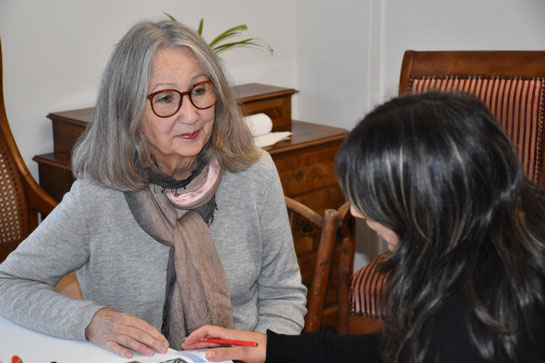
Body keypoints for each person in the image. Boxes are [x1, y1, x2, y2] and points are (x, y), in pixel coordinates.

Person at [0, 20, 306, 359]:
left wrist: (259, 355)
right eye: (165, 99)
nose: (190, 116)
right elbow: (8, 284)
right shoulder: (99, 196)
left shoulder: (253, 173)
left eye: (201, 91)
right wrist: (91, 320)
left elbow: (283, 295)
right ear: (129, 109)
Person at [182, 91, 545, 363]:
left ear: (426, 205)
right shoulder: (497, 249)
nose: (355, 212)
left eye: (369, 199)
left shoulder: (474, 326)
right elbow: (400, 349)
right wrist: (270, 346)